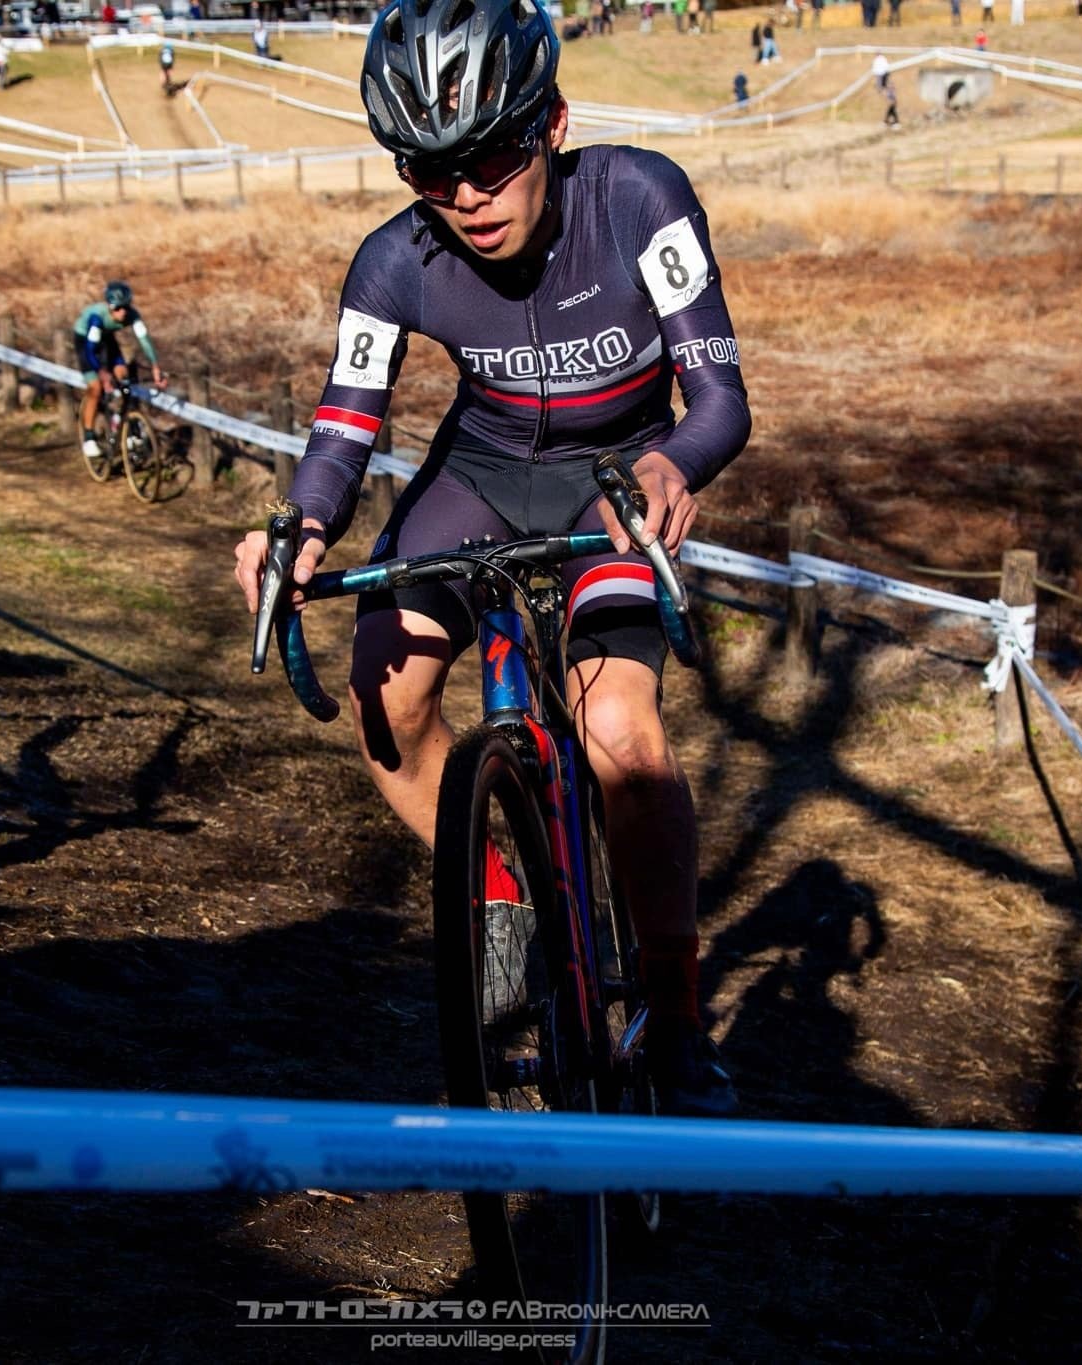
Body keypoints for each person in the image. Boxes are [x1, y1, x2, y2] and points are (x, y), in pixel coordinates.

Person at [231, 0, 748, 1117]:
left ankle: (676, 1015)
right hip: (479, 475)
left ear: (552, 125)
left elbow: (718, 399)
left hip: (617, 474)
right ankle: (502, 892)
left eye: (490, 159)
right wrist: (302, 526)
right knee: (386, 701)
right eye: (428, 170)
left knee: (621, 733)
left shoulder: (639, 198)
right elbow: (342, 430)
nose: (464, 195)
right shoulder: (395, 258)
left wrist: (673, 466)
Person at [75, 280, 167, 460]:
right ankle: (89, 437)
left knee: (123, 375)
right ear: (110, 307)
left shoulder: (133, 315)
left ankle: (128, 427)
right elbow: (90, 351)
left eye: (126, 307)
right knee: (95, 387)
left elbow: (144, 340)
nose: (123, 312)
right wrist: (102, 373)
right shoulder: (97, 318)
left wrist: (155, 366)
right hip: (86, 341)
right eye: (118, 308)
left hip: (106, 337)